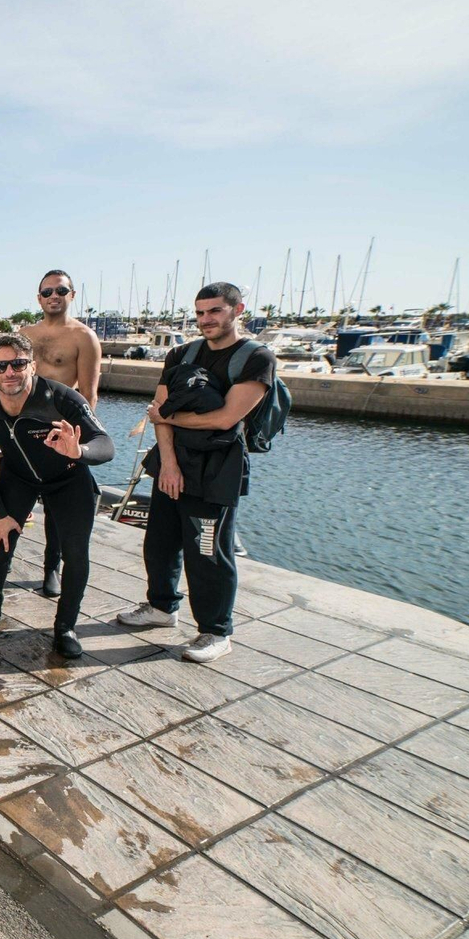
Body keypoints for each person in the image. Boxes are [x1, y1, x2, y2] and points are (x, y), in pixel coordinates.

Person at [116, 282, 276, 664]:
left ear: (238, 310)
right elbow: (159, 411)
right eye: (200, 312)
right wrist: (168, 463)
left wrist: (168, 415)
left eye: (215, 311)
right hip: (173, 461)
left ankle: (216, 631)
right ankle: (161, 608)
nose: (206, 320)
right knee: (159, 543)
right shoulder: (180, 353)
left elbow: (225, 418)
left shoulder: (256, 359)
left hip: (216, 468)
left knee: (208, 553)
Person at [0, 334, 115, 657]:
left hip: (68, 479)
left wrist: (80, 451)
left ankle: (65, 627)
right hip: (18, 479)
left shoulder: (62, 399)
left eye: (18, 364)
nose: (10, 372)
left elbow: (106, 445)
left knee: (76, 554)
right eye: (1, 366)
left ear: (32, 366)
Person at [19, 270, 103, 598]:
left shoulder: (84, 337)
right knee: (12, 500)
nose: (54, 296)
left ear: (72, 294)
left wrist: (78, 439)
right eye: (47, 291)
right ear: (38, 297)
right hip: (24, 431)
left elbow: (89, 395)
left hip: (61, 432)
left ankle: (51, 564)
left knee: (57, 507)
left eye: (61, 290)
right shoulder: (25, 333)